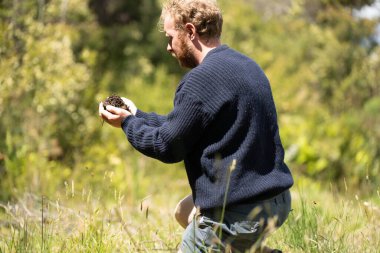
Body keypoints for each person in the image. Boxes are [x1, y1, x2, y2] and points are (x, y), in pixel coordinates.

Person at [99, 0, 293, 252]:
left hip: (239, 211)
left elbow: (167, 146)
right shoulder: (248, 66)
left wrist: (126, 124)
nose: (168, 47)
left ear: (190, 32)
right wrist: (136, 115)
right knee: (184, 212)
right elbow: (180, 128)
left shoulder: (199, 81)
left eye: (170, 37)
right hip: (275, 201)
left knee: (203, 226)